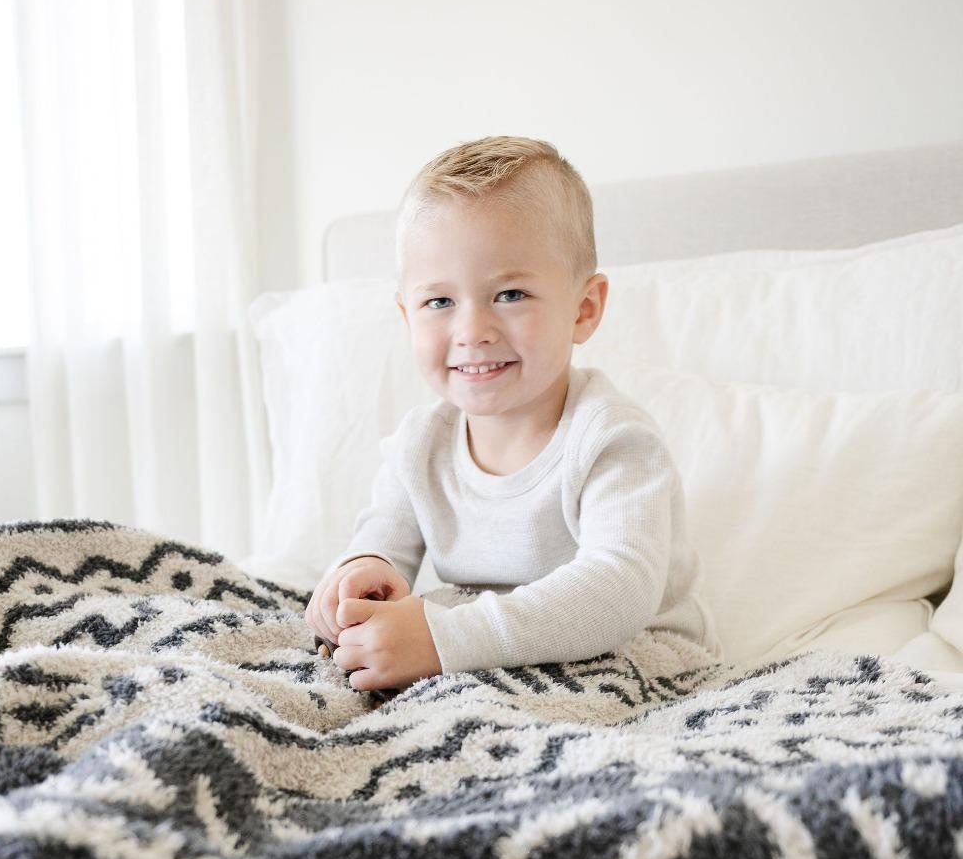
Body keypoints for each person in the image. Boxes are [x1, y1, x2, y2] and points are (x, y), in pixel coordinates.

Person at [304, 135, 721, 694]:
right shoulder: (421, 444)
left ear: (584, 309)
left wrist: (443, 640)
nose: (473, 331)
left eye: (511, 294)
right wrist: (361, 576)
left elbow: (618, 588)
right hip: (488, 655)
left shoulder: (612, 440)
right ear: (407, 314)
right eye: (440, 302)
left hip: (639, 657)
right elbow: (384, 534)